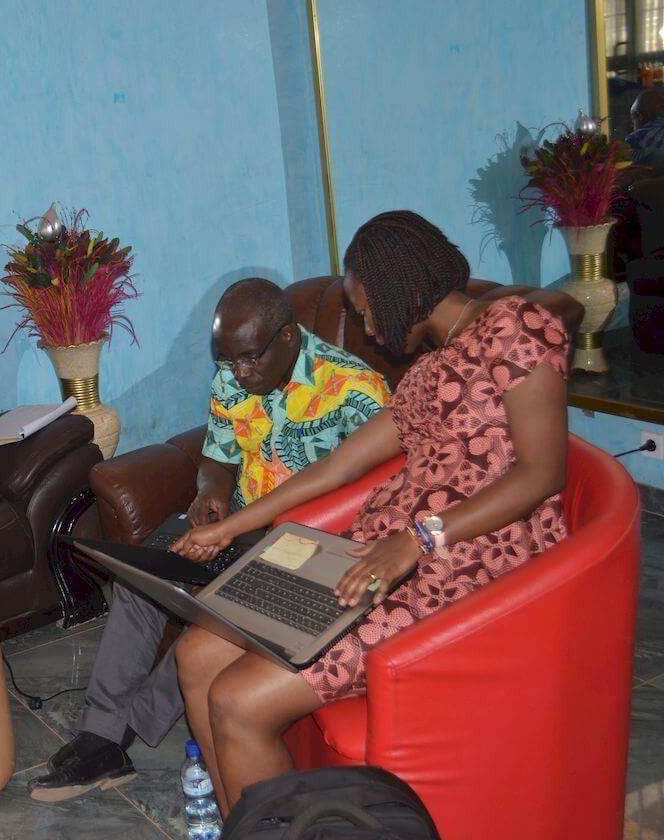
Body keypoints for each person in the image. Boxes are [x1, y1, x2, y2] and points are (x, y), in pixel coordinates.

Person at [170, 211, 580, 815]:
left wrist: (419, 539)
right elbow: (338, 467)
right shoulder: (429, 372)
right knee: (195, 655)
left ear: (400, 294)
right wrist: (230, 525)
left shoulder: (517, 326)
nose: (366, 327)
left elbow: (543, 473)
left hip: (463, 565)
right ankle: (243, 827)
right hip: (381, 553)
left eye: (366, 311)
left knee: (238, 699)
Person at [28, 278, 390, 802]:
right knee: (143, 575)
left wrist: (248, 532)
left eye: (249, 359)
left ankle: (116, 737)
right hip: (237, 530)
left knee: (208, 617)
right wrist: (210, 494)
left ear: (288, 337)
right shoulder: (233, 375)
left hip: (306, 550)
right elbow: (218, 455)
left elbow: (377, 500)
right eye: (228, 360)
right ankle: (102, 733)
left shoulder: (356, 392)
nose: (239, 373)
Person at [629, 88, 664, 166]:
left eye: (633, 122)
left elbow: (636, 156)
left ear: (639, 116)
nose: (633, 127)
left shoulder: (644, 135)